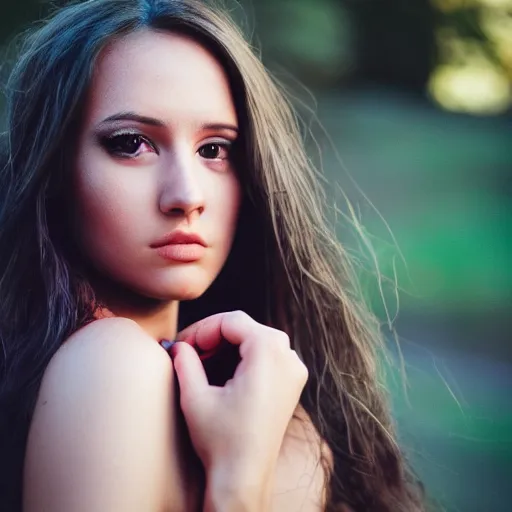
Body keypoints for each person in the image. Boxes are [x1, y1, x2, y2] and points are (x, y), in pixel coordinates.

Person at [0, 0, 425, 510]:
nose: (187, 195)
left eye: (214, 150)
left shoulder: (279, 421)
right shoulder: (110, 368)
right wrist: (238, 485)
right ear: (53, 169)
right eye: (132, 143)